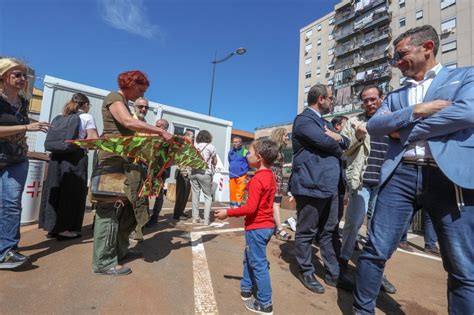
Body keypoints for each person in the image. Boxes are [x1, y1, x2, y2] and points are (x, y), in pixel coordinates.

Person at [353, 25, 474, 314]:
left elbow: (467, 112)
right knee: (374, 251)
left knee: (463, 266)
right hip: (401, 175)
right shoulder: (396, 95)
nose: (396, 61)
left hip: (450, 179)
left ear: (427, 47)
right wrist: (418, 110)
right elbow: (376, 126)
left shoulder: (464, 77)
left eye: (401, 54)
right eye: (394, 56)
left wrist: (405, 131)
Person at [92, 70, 172, 276]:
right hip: (112, 161)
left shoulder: (125, 103)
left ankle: (119, 251)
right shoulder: (114, 98)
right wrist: (160, 131)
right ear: (129, 83)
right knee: (109, 212)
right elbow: (128, 123)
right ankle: (103, 262)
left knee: (127, 212)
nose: (140, 95)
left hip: (125, 163)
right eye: (140, 89)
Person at [290, 83, 351, 294]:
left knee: (329, 231)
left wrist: (341, 138)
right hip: (311, 185)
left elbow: (345, 141)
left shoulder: (323, 122)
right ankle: (305, 270)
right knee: (307, 231)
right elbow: (329, 144)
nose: (333, 102)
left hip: (330, 186)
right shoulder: (304, 120)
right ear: (321, 99)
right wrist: (339, 141)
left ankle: (333, 275)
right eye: (331, 98)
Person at [339, 85, 396, 294]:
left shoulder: (391, 120)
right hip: (361, 182)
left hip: (385, 183)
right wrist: (359, 135)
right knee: (353, 223)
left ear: (382, 98)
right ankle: (343, 264)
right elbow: (343, 150)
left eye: (373, 99)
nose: (370, 103)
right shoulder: (354, 122)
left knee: (379, 231)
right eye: (365, 100)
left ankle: (377, 274)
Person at [215, 139, 279, 314]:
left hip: (257, 227)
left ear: (258, 158)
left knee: (258, 263)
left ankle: (265, 303)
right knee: (250, 256)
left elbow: (250, 208)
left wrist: (228, 212)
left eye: (249, 153)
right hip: (265, 226)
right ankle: (246, 287)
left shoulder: (258, 179)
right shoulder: (270, 176)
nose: (246, 155)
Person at [0, 58, 50, 269]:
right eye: (17, 74)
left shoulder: (23, 102)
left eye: (24, 75)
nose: (22, 79)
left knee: (11, 203)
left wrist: (29, 126)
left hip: (16, 159)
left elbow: (19, 125)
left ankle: (7, 251)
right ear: (3, 76)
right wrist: (27, 128)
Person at [39, 93, 98, 240]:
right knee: (72, 192)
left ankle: (52, 227)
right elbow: (92, 140)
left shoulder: (61, 116)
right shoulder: (86, 117)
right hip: (75, 158)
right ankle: (65, 228)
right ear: (85, 105)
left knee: (54, 189)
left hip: (55, 157)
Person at [129, 97, 151, 241]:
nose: (143, 109)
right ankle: (131, 230)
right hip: (130, 165)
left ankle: (137, 230)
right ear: (134, 106)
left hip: (143, 166)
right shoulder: (129, 120)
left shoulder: (145, 125)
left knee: (141, 199)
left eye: (145, 107)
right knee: (131, 199)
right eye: (140, 106)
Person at [146, 118, 171, 227]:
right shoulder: (153, 137)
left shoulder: (169, 139)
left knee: (158, 194)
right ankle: (145, 217)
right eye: (155, 125)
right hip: (149, 168)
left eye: (158, 126)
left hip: (162, 171)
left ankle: (155, 217)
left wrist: (162, 170)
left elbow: (172, 156)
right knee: (145, 192)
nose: (155, 127)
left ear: (164, 128)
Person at [190, 130, 216, 225]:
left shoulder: (194, 146)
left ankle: (195, 218)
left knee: (195, 195)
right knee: (208, 196)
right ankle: (206, 219)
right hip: (205, 173)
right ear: (208, 137)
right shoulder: (210, 147)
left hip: (193, 172)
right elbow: (214, 160)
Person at [270, 127, 291, 241]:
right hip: (272, 178)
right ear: (279, 136)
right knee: (275, 204)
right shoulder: (273, 149)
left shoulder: (280, 149)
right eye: (286, 135)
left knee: (274, 203)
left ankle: (275, 227)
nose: (288, 137)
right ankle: (279, 228)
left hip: (278, 178)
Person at [172, 130, 194, 220]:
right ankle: (177, 214)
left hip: (188, 174)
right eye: (191, 136)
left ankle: (181, 211)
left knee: (185, 195)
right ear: (186, 136)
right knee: (181, 195)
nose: (193, 138)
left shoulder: (190, 147)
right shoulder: (182, 146)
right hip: (182, 173)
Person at [228, 136, 249, 208]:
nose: (235, 143)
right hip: (232, 174)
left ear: (241, 143)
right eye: (234, 142)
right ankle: (232, 206)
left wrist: (244, 169)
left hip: (242, 175)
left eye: (237, 142)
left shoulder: (245, 151)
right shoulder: (230, 152)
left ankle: (237, 206)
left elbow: (249, 161)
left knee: (240, 191)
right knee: (232, 191)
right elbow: (229, 161)